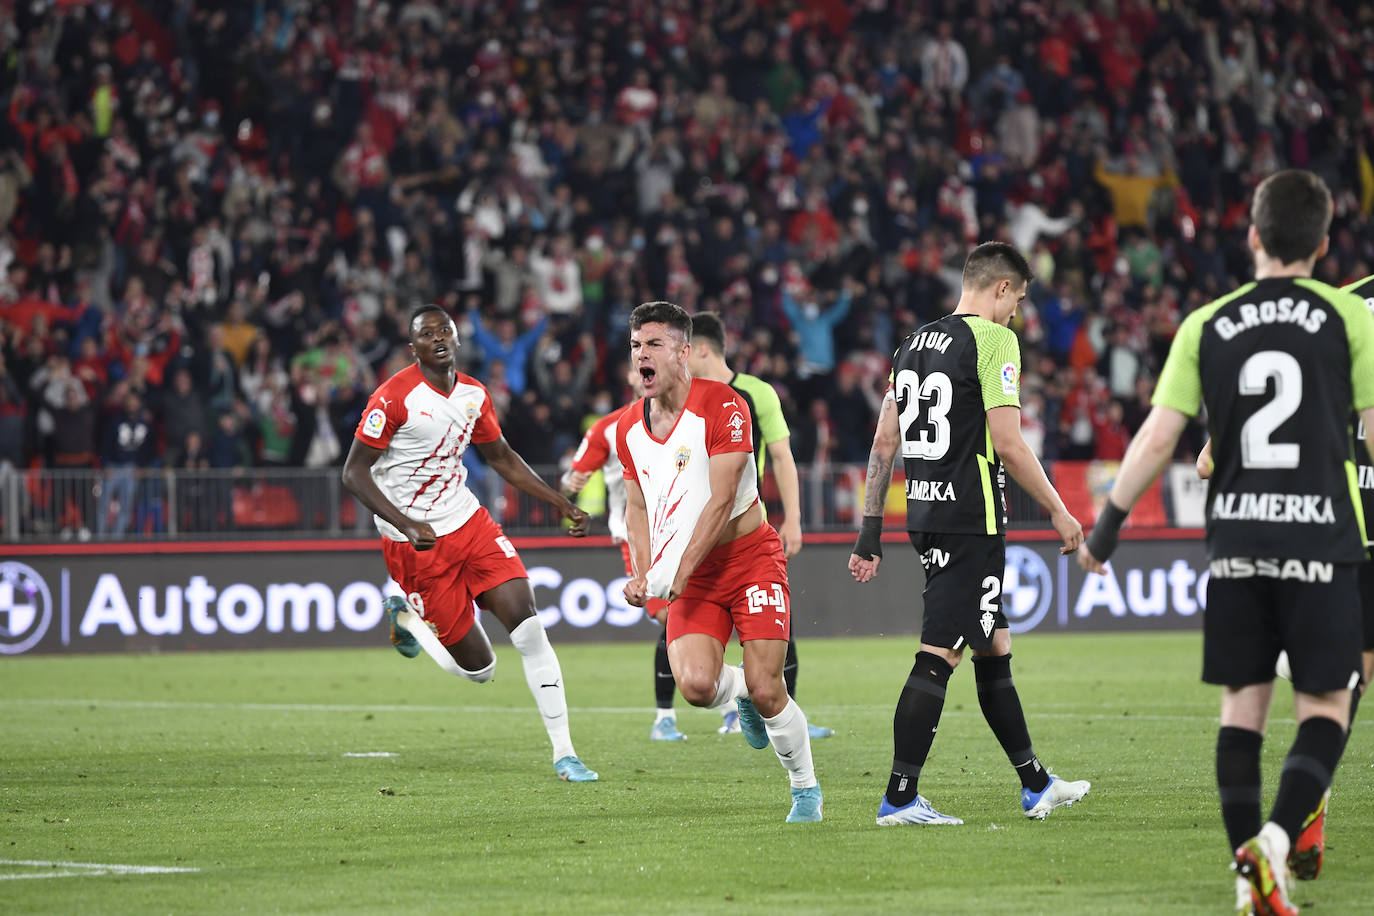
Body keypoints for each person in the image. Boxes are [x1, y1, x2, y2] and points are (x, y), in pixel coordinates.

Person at [1078, 170, 1374, 916]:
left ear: (1252, 238)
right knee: (1328, 709)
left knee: (1242, 713)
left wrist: (1106, 531)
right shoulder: (1350, 318)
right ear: (1325, 242)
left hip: (1237, 541)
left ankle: (1251, 884)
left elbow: (1156, 439)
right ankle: (1274, 844)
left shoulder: (1207, 323)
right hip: (1322, 537)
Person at [848, 241, 1089, 827]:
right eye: (1019, 300)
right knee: (939, 655)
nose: (1017, 315)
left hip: (926, 517)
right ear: (1001, 288)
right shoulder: (992, 340)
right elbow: (1007, 442)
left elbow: (884, 443)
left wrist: (870, 530)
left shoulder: (910, 346)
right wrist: (1058, 510)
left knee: (993, 643)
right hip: (971, 521)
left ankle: (1035, 784)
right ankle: (899, 797)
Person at [342, 304, 599, 784]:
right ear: (413, 347)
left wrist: (560, 503)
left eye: (444, 330)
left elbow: (500, 456)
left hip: (468, 522)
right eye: (425, 334)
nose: (437, 338)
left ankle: (565, 754)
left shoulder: (474, 395)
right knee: (481, 670)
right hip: (414, 543)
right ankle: (408, 618)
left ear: (457, 338)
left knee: (529, 627)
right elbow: (353, 473)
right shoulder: (392, 398)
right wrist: (406, 523)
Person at [617, 300, 822, 822]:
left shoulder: (725, 405)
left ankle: (804, 788)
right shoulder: (626, 430)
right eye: (637, 345)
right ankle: (741, 698)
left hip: (749, 558)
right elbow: (637, 505)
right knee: (696, 687)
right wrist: (642, 572)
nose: (643, 354)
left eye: (654, 344)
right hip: (694, 570)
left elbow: (722, 496)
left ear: (684, 352)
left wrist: (678, 572)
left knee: (769, 687)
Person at [688, 312, 834, 741]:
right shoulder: (682, 398)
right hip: (698, 537)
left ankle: (782, 710)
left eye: (683, 350)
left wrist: (794, 519)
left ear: (700, 349)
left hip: (751, 536)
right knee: (699, 632)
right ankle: (738, 702)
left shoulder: (756, 393)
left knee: (775, 627)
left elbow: (783, 457)